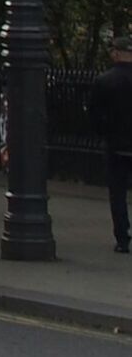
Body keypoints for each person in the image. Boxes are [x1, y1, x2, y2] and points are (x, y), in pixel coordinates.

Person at [88, 34, 132, 254]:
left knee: (118, 194)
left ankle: (122, 239)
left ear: (116, 53)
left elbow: (95, 116)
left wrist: (104, 133)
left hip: (116, 145)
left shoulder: (104, 81)